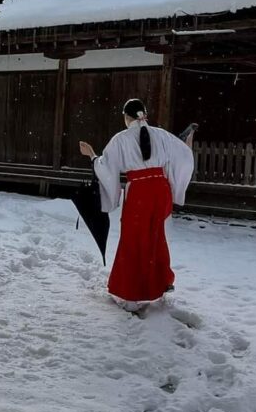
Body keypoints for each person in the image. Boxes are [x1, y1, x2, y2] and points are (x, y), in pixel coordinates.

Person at [79, 99, 194, 311]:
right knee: (155, 236)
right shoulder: (162, 135)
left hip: (140, 191)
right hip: (161, 190)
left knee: (133, 240)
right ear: (144, 115)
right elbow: (185, 156)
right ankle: (160, 283)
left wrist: (92, 156)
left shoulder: (120, 139)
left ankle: (131, 294)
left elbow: (106, 167)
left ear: (126, 117)